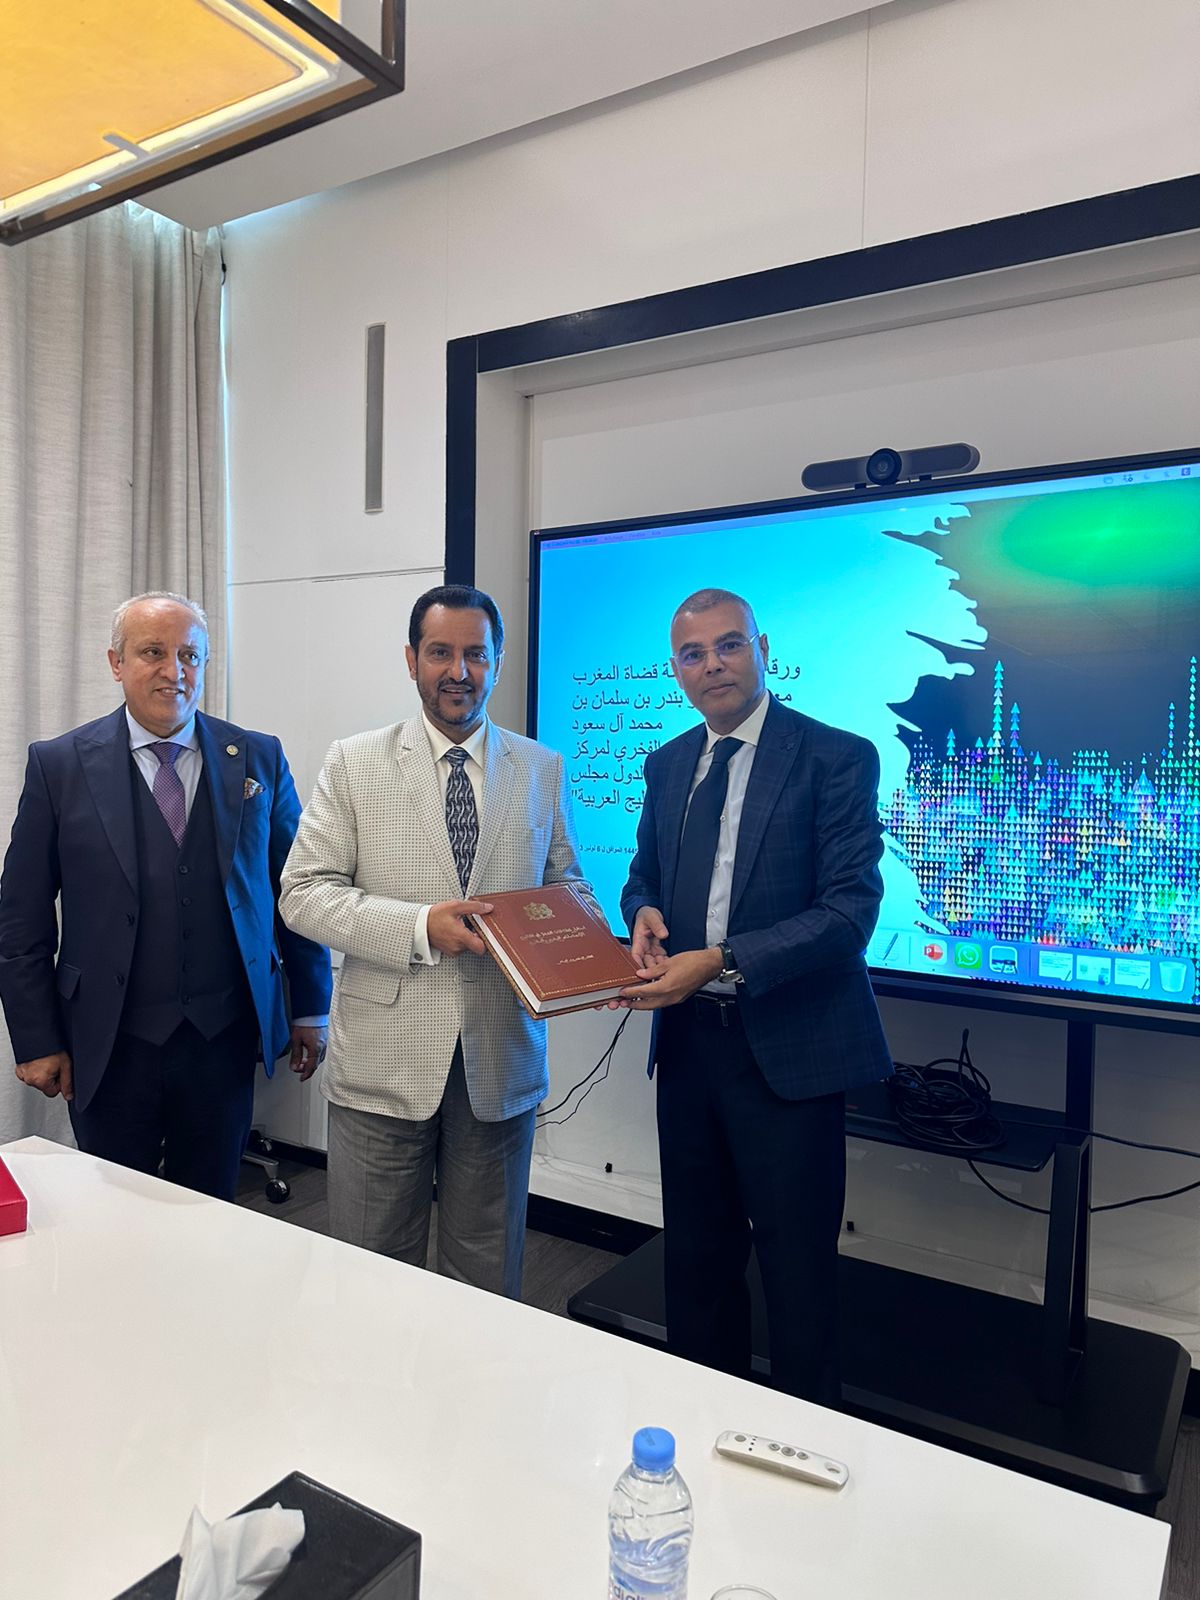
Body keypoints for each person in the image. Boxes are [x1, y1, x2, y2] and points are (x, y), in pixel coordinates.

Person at [279, 583, 594, 1298]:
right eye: (440, 653)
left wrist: (587, 957)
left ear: (498, 661)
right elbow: (303, 893)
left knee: (485, 1278)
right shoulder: (355, 762)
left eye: (476, 654)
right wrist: (420, 926)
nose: (459, 671)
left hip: (501, 1058)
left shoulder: (540, 768)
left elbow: (567, 887)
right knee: (369, 1274)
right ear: (411, 660)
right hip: (383, 1064)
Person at [619, 587, 892, 1404]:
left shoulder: (835, 757)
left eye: (729, 645)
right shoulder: (667, 764)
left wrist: (721, 959)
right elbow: (642, 876)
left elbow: (849, 914)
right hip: (689, 1047)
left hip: (789, 1050)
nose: (713, 665)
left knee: (797, 1276)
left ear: (762, 649)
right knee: (696, 1260)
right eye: (693, 654)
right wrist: (642, 914)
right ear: (676, 670)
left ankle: (806, 1445)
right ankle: (705, 1421)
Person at [0, 592, 332, 1201]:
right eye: (153, 652)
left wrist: (310, 1006)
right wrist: (38, 1038)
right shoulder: (59, 765)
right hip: (108, 1041)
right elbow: (21, 919)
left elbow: (297, 889)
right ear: (116, 662)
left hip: (221, 1040)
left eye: (189, 655)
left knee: (210, 1213)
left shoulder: (257, 757)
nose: (173, 671)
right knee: (110, 1209)